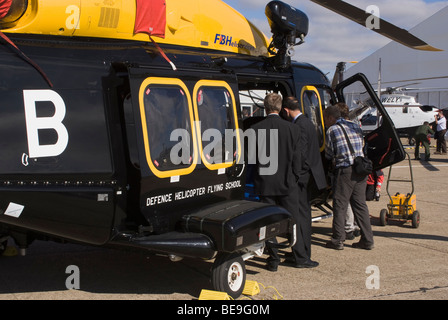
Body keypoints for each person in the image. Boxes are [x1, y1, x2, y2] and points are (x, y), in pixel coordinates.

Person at [250, 93, 303, 271]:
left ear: (265, 107)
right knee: (292, 218)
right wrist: (294, 177)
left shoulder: (256, 129)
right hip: (287, 182)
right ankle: (296, 251)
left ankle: (273, 259)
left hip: (265, 182)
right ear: (280, 108)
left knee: (268, 222)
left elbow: (252, 159)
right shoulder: (292, 129)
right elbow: (297, 159)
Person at [323, 104, 374, 250]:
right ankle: (368, 240)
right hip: (361, 170)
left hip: (345, 170)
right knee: (360, 205)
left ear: (331, 117)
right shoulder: (355, 126)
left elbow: (329, 153)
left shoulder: (332, 130)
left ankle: (337, 240)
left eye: (326, 119)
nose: (325, 122)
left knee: (340, 205)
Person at [283, 96, 326, 268]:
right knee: (305, 216)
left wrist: (295, 175)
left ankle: (301, 256)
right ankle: (303, 252)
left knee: (299, 217)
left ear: (286, 111)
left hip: (302, 178)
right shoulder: (307, 122)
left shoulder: (298, 126)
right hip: (311, 177)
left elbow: (300, 155)